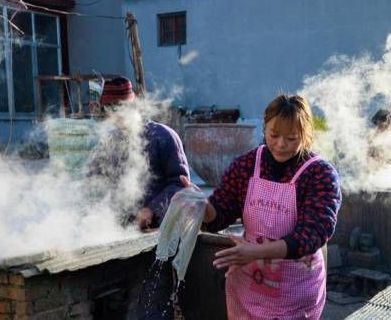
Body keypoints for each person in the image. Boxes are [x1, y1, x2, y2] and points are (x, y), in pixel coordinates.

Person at [182, 94, 341, 319]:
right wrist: (203, 206)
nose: (280, 144)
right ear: (264, 127)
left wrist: (254, 252)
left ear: (305, 136)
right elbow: (221, 211)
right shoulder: (247, 165)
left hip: (295, 292)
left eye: (291, 138)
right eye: (274, 135)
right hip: (249, 286)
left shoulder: (319, 174)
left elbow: (312, 234)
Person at [89, 76, 190, 229]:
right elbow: (94, 182)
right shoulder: (107, 143)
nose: (116, 116)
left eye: (120, 109)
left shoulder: (163, 137)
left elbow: (181, 184)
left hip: (162, 229)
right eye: (110, 109)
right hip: (120, 229)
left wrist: (152, 209)